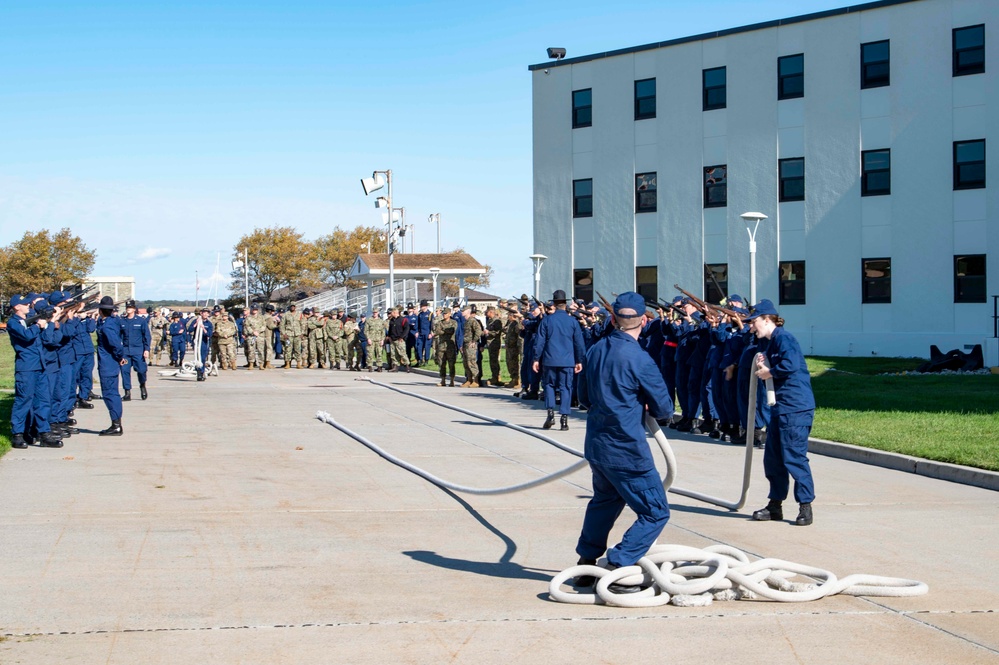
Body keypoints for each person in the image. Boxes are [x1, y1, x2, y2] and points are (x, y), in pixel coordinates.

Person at [572, 292, 673, 593]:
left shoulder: (595, 349)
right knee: (656, 511)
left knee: (605, 501)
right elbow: (664, 408)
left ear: (614, 318)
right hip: (627, 449)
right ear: (643, 320)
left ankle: (586, 565)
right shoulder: (640, 358)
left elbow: (584, 398)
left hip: (598, 446)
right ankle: (618, 565)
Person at [746, 299, 816, 526]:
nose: (750, 326)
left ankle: (805, 506)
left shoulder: (784, 339)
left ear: (767, 319)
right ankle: (775, 505)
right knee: (773, 459)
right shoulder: (766, 342)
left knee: (794, 457)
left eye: (754, 322)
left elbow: (791, 364)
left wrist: (770, 372)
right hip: (779, 408)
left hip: (795, 408)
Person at [6, 294, 63, 448]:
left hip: (40, 365)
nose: (27, 306)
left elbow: (45, 339)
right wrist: (38, 325)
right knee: (23, 400)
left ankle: (44, 433)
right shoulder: (13, 323)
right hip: (26, 367)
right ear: (17, 307)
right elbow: (26, 335)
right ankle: (17, 434)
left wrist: (49, 323)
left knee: (43, 401)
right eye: (24, 304)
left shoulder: (30, 321)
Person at [532, 290, 585, 430]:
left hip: (550, 359)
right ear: (565, 304)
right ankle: (564, 419)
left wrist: (536, 358)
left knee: (549, 385)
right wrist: (579, 360)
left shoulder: (547, 320)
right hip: (567, 360)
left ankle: (550, 413)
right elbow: (579, 343)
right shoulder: (573, 321)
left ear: (554, 304)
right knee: (566, 387)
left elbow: (539, 342)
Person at [96, 296, 127, 436]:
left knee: (110, 393)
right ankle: (116, 423)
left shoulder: (107, 326)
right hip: (111, 363)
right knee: (111, 392)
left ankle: (116, 425)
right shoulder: (113, 321)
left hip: (108, 363)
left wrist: (120, 356)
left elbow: (115, 343)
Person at [119, 299, 151, 401]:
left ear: (134, 309)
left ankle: (142, 385)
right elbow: (119, 336)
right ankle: (127, 392)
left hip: (138, 350)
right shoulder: (122, 321)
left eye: (130, 307)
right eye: (127, 307)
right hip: (126, 352)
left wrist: (146, 349)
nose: (128, 309)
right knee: (125, 371)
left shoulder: (140, 321)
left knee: (141, 370)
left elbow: (147, 336)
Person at [187, 308, 214, 381]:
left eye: (207, 313)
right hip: (197, 341)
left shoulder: (209, 323)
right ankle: (198, 372)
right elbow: (189, 330)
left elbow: (209, 334)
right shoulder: (196, 320)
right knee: (197, 357)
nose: (205, 314)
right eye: (204, 313)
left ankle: (201, 372)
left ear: (208, 314)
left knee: (203, 358)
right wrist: (196, 324)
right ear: (201, 313)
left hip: (204, 342)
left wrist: (203, 328)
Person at [460, 305, 483, 387]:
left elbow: (478, 331)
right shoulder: (466, 321)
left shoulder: (472, 320)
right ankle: (469, 379)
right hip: (465, 344)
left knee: (472, 362)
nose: (462, 312)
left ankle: (475, 381)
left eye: (464, 311)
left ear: (468, 311)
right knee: (466, 363)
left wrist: (474, 340)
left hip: (470, 345)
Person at [434, 307, 458, 386]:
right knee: (441, 364)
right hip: (441, 346)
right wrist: (444, 331)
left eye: (446, 313)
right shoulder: (440, 322)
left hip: (450, 346)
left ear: (449, 314)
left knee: (451, 364)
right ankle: (443, 380)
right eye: (443, 313)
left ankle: (452, 380)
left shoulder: (453, 322)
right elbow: (437, 331)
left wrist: (443, 331)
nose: (444, 315)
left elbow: (452, 331)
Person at [280, 304, 305, 368]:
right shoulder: (286, 314)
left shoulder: (300, 314)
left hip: (297, 334)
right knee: (288, 349)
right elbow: (282, 325)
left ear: (295, 307)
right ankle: (288, 363)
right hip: (289, 334)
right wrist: (284, 333)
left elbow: (303, 324)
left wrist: (302, 333)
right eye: (291, 306)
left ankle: (298, 363)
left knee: (298, 349)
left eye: (294, 306)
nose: (292, 307)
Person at [387, 307, 411, 372]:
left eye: (391, 312)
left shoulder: (403, 320)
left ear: (395, 313)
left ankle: (407, 366)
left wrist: (402, 337)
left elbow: (406, 329)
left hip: (400, 339)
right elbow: (390, 329)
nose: (390, 314)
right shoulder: (391, 320)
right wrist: (389, 336)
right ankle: (395, 366)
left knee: (402, 353)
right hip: (393, 339)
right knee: (393, 354)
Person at [415, 300, 433, 366]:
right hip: (421, 333)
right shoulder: (420, 314)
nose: (421, 307)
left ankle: (426, 360)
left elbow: (432, 324)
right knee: (419, 347)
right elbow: (417, 324)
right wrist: (416, 331)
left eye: (422, 306)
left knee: (427, 347)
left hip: (427, 333)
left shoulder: (430, 314)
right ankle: (420, 359)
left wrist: (431, 333)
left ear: (425, 306)